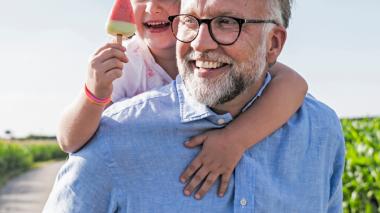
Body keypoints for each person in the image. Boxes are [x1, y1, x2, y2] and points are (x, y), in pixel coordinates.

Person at [45, 0, 345, 212]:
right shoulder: (116, 126)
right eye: (191, 21)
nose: (201, 43)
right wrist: (94, 93)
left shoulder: (320, 130)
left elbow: (292, 83)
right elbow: (70, 139)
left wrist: (234, 138)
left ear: (274, 44)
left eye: (227, 23)